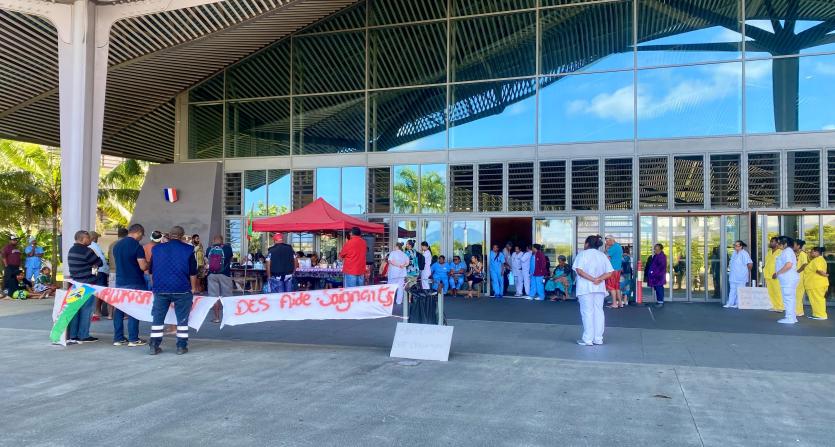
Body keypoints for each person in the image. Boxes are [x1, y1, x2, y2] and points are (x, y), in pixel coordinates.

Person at [148, 226, 198, 355]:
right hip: (182, 289)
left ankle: (154, 346)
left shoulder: (156, 249)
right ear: (182, 236)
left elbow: (151, 271)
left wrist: (154, 286)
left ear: (169, 235)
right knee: (182, 320)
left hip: (160, 289)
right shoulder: (188, 249)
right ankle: (181, 347)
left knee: (158, 319)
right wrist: (193, 288)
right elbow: (193, 272)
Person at [111, 223, 149, 347]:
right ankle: (133, 338)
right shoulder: (137, 246)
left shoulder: (117, 245)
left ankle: (118, 338)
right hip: (135, 281)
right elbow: (143, 266)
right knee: (134, 309)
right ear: (138, 232)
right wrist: (149, 264)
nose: (141, 237)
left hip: (120, 281)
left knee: (119, 310)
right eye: (142, 235)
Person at [573, 235, 614, 346]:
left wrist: (593, 279)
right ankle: (598, 338)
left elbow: (579, 271)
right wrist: (599, 279)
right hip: (599, 288)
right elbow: (610, 272)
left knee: (587, 312)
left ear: (587, 244)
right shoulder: (602, 255)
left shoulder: (582, 254)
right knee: (599, 312)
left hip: (585, 288)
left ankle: (588, 339)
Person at [67, 230, 103, 344]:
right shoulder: (87, 251)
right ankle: (83, 335)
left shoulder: (71, 250)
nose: (90, 240)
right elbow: (99, 262)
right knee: (86, 310)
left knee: (75, 310)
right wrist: (94, 268)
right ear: (83, 239)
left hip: (75, 284)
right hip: (87, 284)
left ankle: (73, 335)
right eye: (88, 238)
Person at [206, 235, 234, 323]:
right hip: (225, 274)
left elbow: (207, 260)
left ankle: (217, 318)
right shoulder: (227, 248)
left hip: (212, 275)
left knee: (214, 297)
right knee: (227, 296)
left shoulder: (209, 249)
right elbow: (230, 259)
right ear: (222, 240)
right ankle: (228, 317)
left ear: (213, 240)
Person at [773, 236, 799, 324]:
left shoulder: (787, 251)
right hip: (789, 279)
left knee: (788, 299)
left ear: (785, 244)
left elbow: (788, 265)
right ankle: (792, 317)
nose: (778, 244)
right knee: (790, 298)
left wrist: (778, 273)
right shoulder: (787, 251)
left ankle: (789, 318)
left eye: (779, 243)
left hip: (788, 279)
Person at [724, 240, 753, 309]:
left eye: (737, 245)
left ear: (741, 247)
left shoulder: (744, 253)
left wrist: (747, 272)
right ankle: (730, 303)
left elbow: (750, 264)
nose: (735, 247)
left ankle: (738, 304)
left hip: (741, 276)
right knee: (732, 290)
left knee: (740, 290)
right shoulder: (734, 253)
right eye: (735, 245)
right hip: (733, 275)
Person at [88, 231, 109, 320]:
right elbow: (95, 262)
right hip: (99, 271)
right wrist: (94, 274)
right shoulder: (93, 246)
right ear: (93, 238)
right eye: (97, 238)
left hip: (99, 270)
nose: (97, 239)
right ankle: (97, 310)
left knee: (98, 290)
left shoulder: (92, 246)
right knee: (99, 290)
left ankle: (97, 310)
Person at [804, 247, 829, 320]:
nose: (810, 254)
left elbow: (819, 270)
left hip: (816, 284)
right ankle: (817, 314)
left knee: (817, 300)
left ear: (817, 252)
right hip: (817, 284)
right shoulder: (819, 259)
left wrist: (825, 275)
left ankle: (820, 315)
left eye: (812, 252)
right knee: (817, 300)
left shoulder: (817, 260)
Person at [386, 242, 409, 312]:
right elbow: (407, 263)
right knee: (400, 288)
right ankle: (399, 301)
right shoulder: (404, 254)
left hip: (393, 273)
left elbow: (390, 261)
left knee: (390, 287)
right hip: (401, 273)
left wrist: (397, 265)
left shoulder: (393, 253)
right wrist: (402, 265)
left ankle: (389, 301)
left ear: (396, 246)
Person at [763, 237, 784, 312]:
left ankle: (780, 307)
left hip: (775, 275)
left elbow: (782, 264)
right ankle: (774, 306)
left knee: (777, 291)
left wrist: (777, 273)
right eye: (770, 241)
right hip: (767, 274)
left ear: (777, 243)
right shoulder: (769, 252)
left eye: (772, 241)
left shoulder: (781, 252)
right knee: (771, 292)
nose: (770, 243)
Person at [605, 235, 624, 309]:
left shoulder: (613, 247)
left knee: (611, 287)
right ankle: (620, 303)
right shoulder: (618, 246)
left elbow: (606, 257)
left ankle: (614, 304)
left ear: (611, 240)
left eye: (607, 241)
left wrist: (607, 249)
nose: (606, 243)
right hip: (618, 269)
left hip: (612, 270)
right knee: (617, 287)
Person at [647, 244, 667, 308]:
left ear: (660, 249)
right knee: (658, 288)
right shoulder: (656, 256)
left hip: (659, 276)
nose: (655, 250)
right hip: (656, 276)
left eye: (657, 249)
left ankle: (660, 302)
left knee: (659, 289)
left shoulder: (661, 257)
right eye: (655, 249)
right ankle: (659, 301)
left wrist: (654, 273)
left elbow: (661, 267)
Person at [793, 240, 808, 318]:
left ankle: (799, 312)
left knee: (798, 295)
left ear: (798, 246)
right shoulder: (795, 253)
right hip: (795, 277)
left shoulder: (803, 254)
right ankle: (796, 310)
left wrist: (797, 271)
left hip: (800, 277)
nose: (793, 246)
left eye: (794, 244)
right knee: (795, 294)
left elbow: (805, 264)